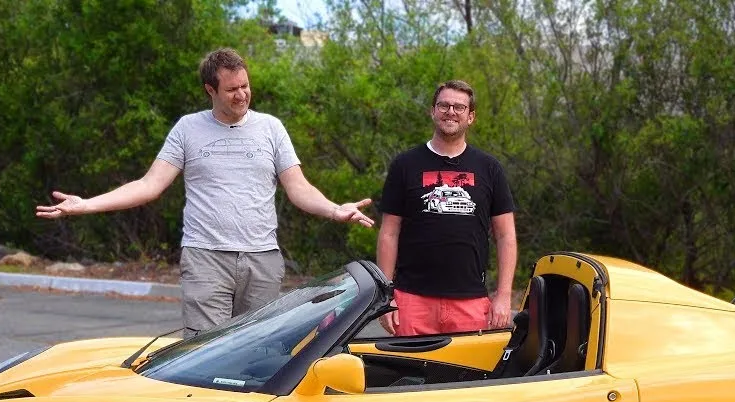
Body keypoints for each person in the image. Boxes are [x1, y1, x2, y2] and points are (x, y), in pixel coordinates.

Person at [37, 48, 373, 336]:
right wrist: (85, 205)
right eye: (231, 90)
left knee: (260, 350)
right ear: (210, 90)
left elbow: (298, 188)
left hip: (262, 259)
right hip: (205, 258)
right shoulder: (188, 128)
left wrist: (334, 209)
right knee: (203, 351)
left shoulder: (271, 128)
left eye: (245, 86)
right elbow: (148, 185)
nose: (241, 95)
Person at [376, 80, 517, 336]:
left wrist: (504, 295)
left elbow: (506, 236)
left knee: (467, 375)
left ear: (470, 117)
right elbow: (389, 233)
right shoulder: (405, 165)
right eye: (444, 105)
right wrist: (387, 295)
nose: (450, 111)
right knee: (409, 375)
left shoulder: (489, 168)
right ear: (433, 111)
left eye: (459, 107)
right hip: (411, 300)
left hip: (471, 301)